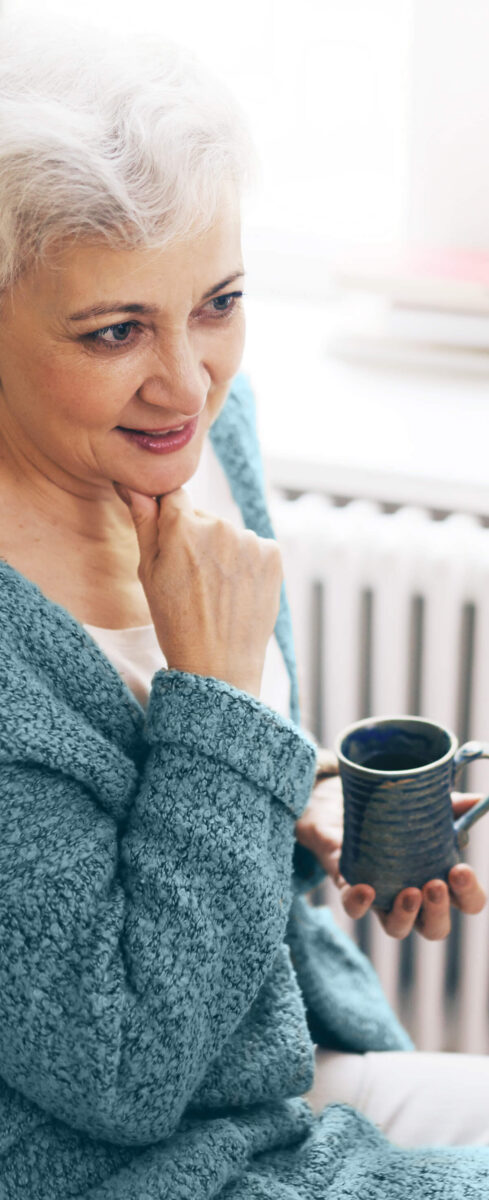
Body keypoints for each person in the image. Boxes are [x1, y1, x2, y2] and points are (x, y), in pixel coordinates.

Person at [0, 12, 488, 1199]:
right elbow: (118, 1068)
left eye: (218, 300)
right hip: (136, 1161)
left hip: (284, 1064)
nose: (189, 382)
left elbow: (178, 812)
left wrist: (296, 809)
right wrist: (219, 706)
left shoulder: (208, 438)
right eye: (115, 329)